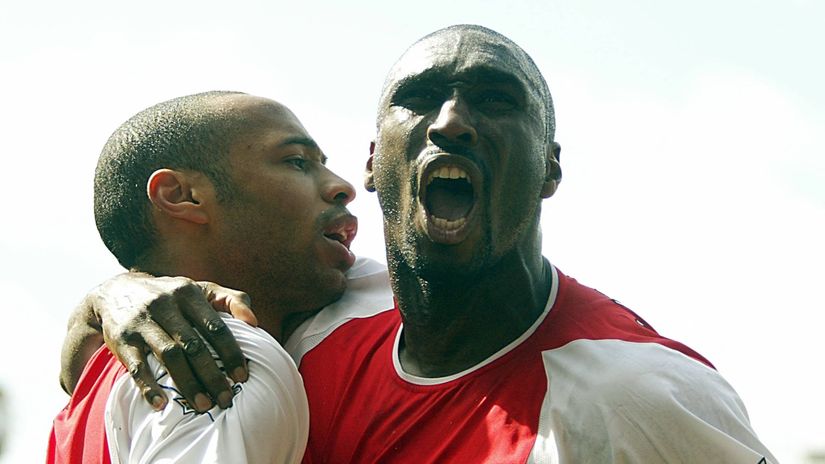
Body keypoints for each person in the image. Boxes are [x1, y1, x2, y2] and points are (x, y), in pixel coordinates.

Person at [63, 26, 777, 463]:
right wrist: (119, 290)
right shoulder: (313, 316)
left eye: (496, 100)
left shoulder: (639, 398)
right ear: (376, 163)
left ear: (550, 167)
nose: (453, 123)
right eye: (421, 98)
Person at [48, 91, 394, 463]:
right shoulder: (216, 362)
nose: (342, 186)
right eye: (296, 161)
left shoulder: (81, 406)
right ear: (183, 195)